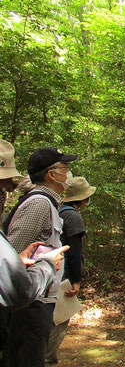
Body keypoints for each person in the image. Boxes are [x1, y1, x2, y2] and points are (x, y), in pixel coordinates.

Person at [5, 146, 78, 367]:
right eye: (65, 168)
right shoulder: (38, 204)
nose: (69, 174)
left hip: (38, 300)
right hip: (28, 307)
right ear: (52, 174)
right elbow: (11, 258)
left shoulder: (49, 203)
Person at [46, 176, 96, 364]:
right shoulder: (73, 216)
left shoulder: (59, 210)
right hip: (63, 276)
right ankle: (47, 358)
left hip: (50, 271)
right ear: (83, 199)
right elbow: (74, 252)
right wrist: (77, 281)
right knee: (59, 320)